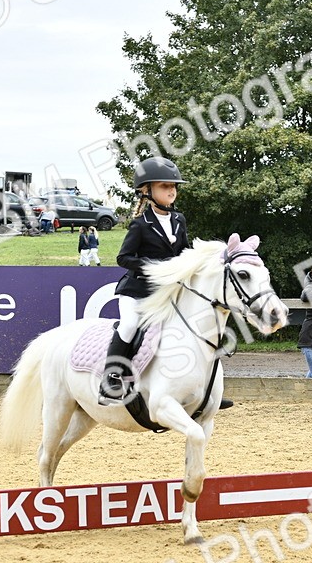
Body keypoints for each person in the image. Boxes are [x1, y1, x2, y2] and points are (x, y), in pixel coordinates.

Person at [98, 156, 232, 410]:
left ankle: (206, 387)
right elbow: (123, 258)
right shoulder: (140, 224)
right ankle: (111, 377)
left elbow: (183, 252)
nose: (172, 191)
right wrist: (156, 268)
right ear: (147, 191)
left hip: (168, 291)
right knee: (129, 324)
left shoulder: (179, 220)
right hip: (138, 291)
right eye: (165, 186)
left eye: (174, 187)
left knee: (198, 325)